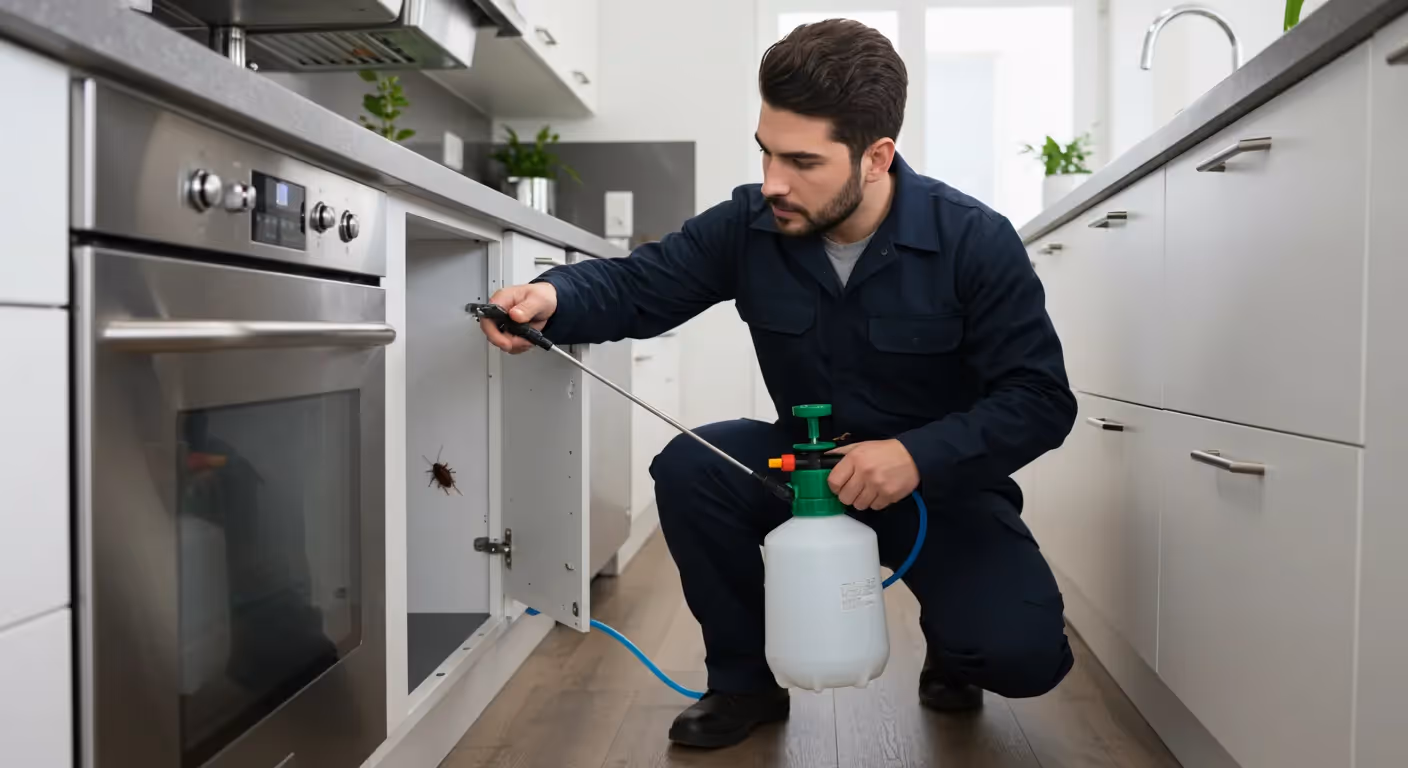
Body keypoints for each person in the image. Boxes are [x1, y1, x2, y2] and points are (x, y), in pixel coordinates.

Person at [478, 18, 1078, 750]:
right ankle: (743, 684)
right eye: (765, 152)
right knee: (692, 467)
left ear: (875, 157)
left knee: (1019, 655)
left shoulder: (974, 240)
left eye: (801, 161)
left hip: (937, 486)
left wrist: (916, 455)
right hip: (802, 470)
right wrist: (554, 296)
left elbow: (1039, 400)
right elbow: (641, 283)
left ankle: (953, 646)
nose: (772, 182)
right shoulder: (750, 223)